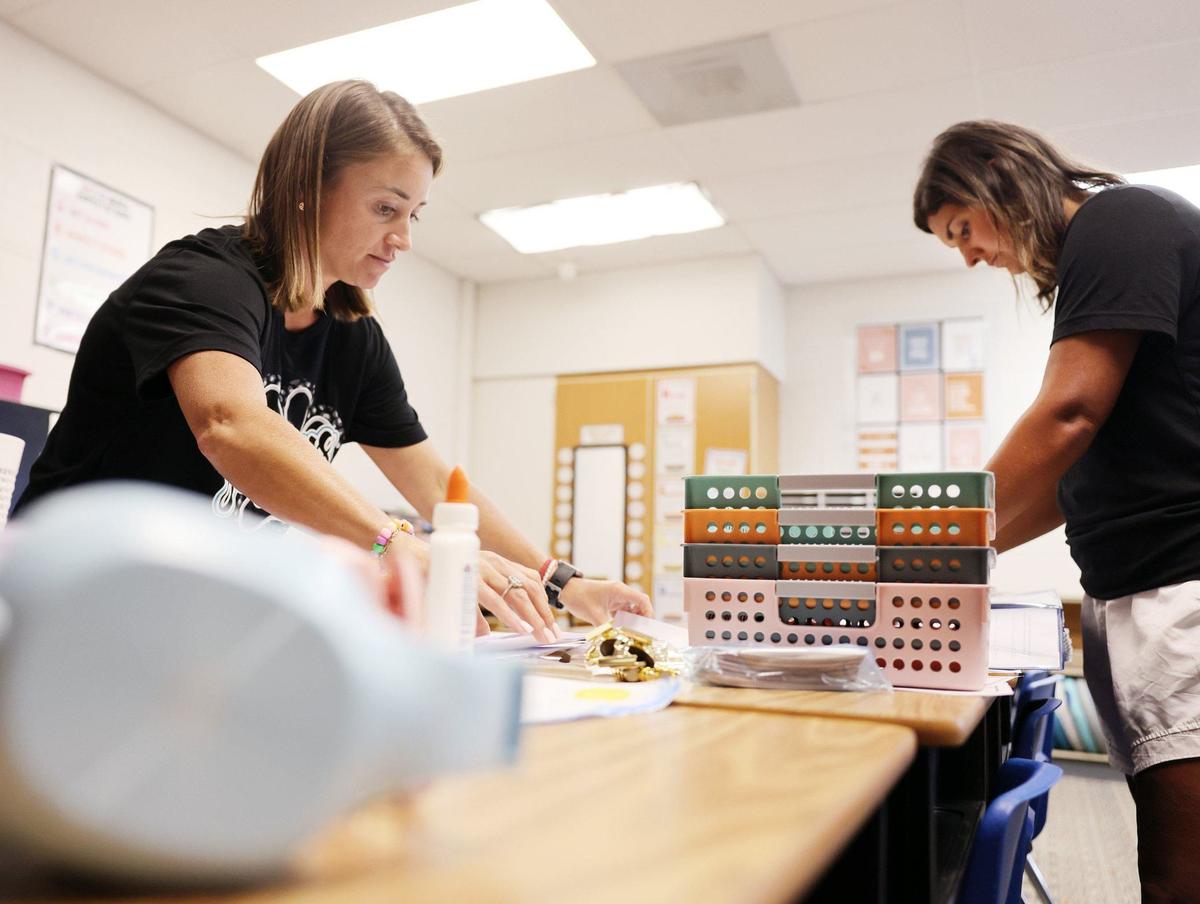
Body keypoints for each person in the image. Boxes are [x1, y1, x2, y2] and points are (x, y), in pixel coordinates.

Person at [15, 79, 651, 641]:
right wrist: (395, 542)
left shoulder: (352, 338)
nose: (402, 238)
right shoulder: (203, 280)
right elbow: (231, 426)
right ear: (307, 188)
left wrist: (566, 582)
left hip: (179, 610)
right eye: (385, 208)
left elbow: (434, 487)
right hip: (63, 591)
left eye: (413, 215)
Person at [914, 119, 1200, 901]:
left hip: (1182, 584)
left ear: (999, 179)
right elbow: (1064, 476)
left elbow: (1068, 413)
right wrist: (958, 557)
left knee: (1182, 868)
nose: (970, 254)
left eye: (963, 229)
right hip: (1139, 590)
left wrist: (929, 548)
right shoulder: (1101, 258)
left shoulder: (1122, 219)